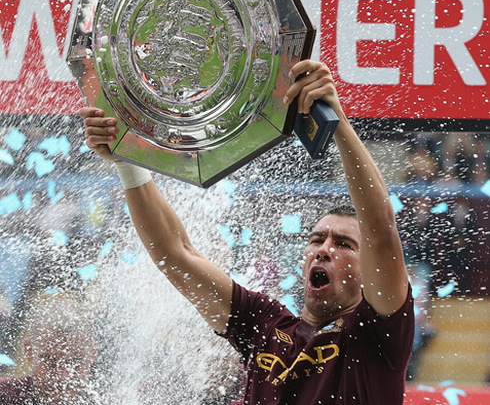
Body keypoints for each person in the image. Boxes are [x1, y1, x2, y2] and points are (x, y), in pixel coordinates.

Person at [80, 60, 414, 405]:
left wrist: (338, 121)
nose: (324, 249)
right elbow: (176, 254)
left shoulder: (377, 336)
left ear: (368, 273)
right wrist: (128, 162)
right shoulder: (265, 324)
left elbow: (380, 229)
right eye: (317, 239)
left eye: (344, 244)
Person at [0, 295, 99, 405]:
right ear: (29, 351)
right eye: (50, 362)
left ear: (93, 355)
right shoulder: (5, 396)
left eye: (74, 362)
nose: (62, 377)